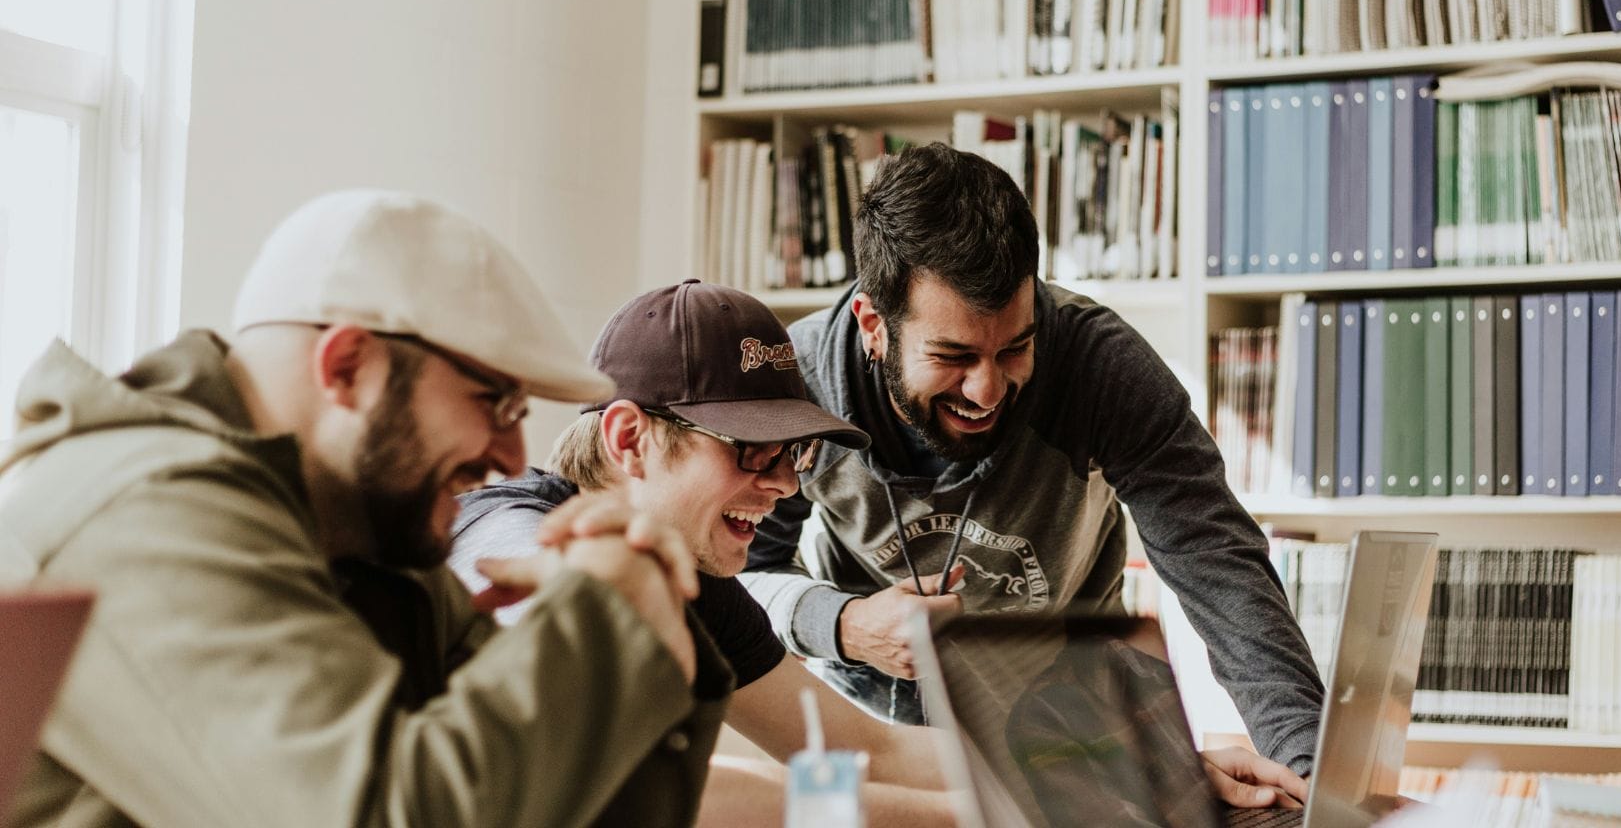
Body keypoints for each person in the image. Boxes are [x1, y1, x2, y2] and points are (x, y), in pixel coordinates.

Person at [448, 279, 1302, 826]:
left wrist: (1142, 771)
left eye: (795, 455)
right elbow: (670, 794)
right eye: (751, 451)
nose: (784, 487)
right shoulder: (511, 534)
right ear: (631, 438)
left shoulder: (695, 577)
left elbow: (865, 749)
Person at [0, 191, 729, 828]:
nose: (513, 456)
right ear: (347, 366)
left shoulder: (361, 530)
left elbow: (555, 807)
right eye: (495, 402)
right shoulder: (150, 516)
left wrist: (653, 624)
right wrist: (605, 617)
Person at [740, 143, 1327, 785]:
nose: (987, 390)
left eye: (1015, 348)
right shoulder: (798, 386)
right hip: (870, 730)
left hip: (1068, 718)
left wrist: (1310, 777)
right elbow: (737, 579)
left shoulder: (1101, 367)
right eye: (953, 357)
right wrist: (843, 624)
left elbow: (1221, 567)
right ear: (874, 325)